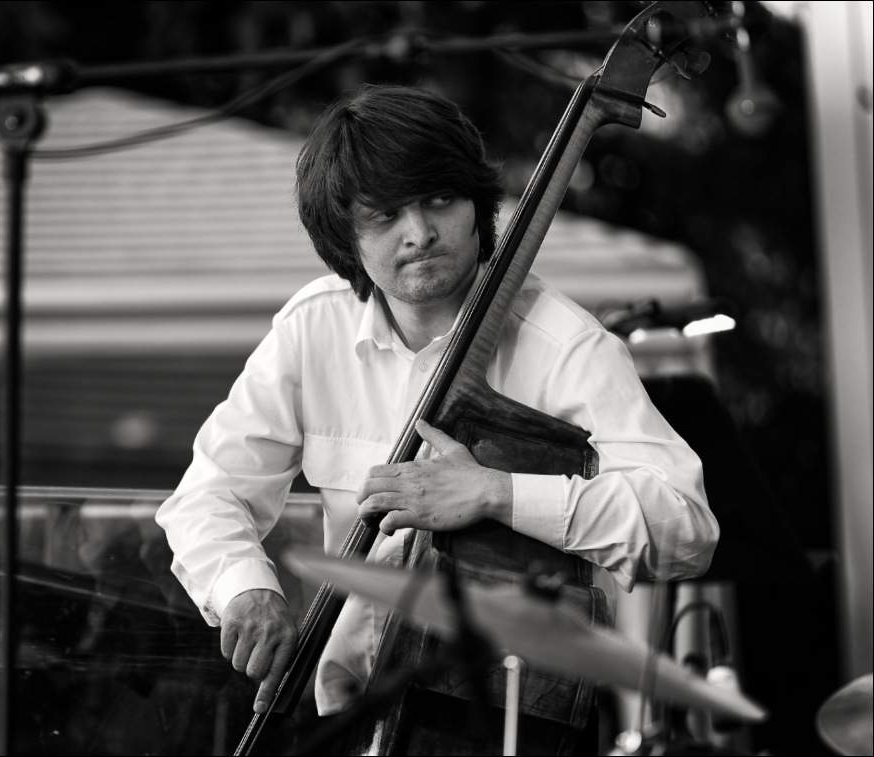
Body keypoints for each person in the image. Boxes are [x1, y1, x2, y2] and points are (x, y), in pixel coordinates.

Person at [156, 84, 718, 726]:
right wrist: (244, 589)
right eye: (384, 215)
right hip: (349, 718)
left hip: (509, 722)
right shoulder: (313, 330)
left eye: (439, 200)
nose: (418, 233)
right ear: (345, 236)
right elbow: (205, 495)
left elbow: (685, 528)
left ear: (477, 205)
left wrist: (497, 493)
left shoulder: (565, 345)